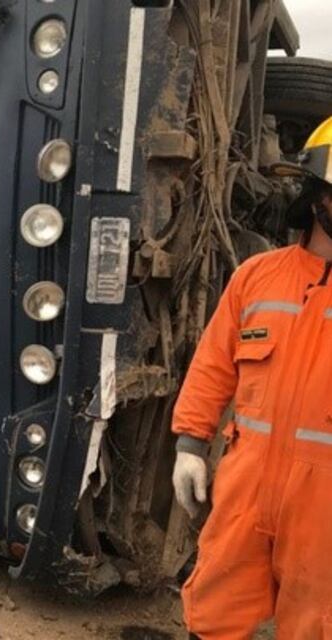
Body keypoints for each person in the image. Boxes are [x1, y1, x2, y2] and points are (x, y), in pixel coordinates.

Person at [171, 116, 332, 638]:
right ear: (316, 196)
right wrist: (191, 446)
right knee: (216, 609)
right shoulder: (257, 276)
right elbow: (213, 365)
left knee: (316, 621)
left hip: (324, 503)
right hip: (247, 484)